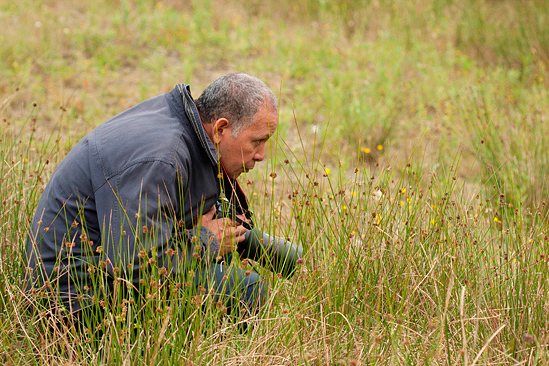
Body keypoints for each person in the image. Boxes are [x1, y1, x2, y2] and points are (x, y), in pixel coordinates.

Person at [25, 73, 278, 327]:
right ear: (221, 128)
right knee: (247, 289)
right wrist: (208, 240)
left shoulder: (180, 124)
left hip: (91, 280)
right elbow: (134, 267)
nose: (261, 156)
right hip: (75, 305)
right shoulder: (162, 158)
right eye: (257, 141)